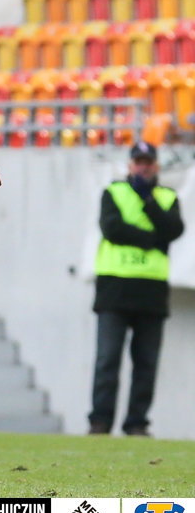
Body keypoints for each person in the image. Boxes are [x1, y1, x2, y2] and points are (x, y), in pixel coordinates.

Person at [88, 142, 183, 437]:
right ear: (130, 165)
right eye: (138, 162)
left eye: (148, 162)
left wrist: (148, 201)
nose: (143, 167)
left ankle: (137, 423)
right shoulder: (113, 192)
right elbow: (112, 228)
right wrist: (151, 238)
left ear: (156, 165)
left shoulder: (167, 197)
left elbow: (173, 230)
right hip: (114, 288)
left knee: (146, 363)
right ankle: (100, 422)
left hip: (151, 292)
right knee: (107, 359)